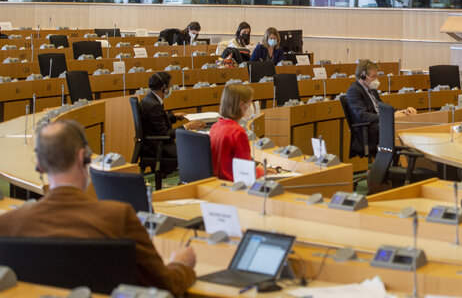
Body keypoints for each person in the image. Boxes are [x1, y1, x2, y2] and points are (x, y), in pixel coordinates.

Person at [0, 120, 196, 296]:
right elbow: (166, 285)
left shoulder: (7, 225)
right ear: (82, 158)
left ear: (40, 166)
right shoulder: (119, 217)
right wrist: (181, 264)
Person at [345, 60, 416, 158]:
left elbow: (383, 108)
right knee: (395, 128)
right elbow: (362, 115)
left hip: (379, 124)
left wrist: (402, 111)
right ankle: (395, 163)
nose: (376, 79)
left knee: (406, 122)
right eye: (374, 76)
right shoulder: (354, 91)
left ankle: (400, 162)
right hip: (369, 129)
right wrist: (389, 117)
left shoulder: (372, 90)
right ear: (362, 76)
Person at [139, 72, 205, 159]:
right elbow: (164, 134)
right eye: (170, 86)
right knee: (196, 147)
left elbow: (157, 123)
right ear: (164, 88)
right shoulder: (154, 105)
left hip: (153, 143)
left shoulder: (150, 99)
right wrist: (186, 126)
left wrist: (174, 117)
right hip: (157, 147)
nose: (171, 89)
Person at [209, 84, 267, 181]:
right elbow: (245, 172)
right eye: (250, 102)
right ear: (241, 105)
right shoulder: (237, 132)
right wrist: (261, 170)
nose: (251, 106)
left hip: (217, 182)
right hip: (233, 183)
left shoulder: (215, 127)